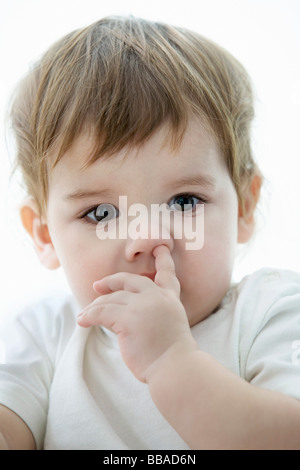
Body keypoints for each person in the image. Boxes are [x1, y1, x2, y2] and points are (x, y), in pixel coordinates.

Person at [0, 15, 300, 450]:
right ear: (45, 236)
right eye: (101, 213)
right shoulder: (47, 333)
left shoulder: (270, 313)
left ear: (245, 206)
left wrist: (170, 361)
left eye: (184, 202)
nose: (147, 238)